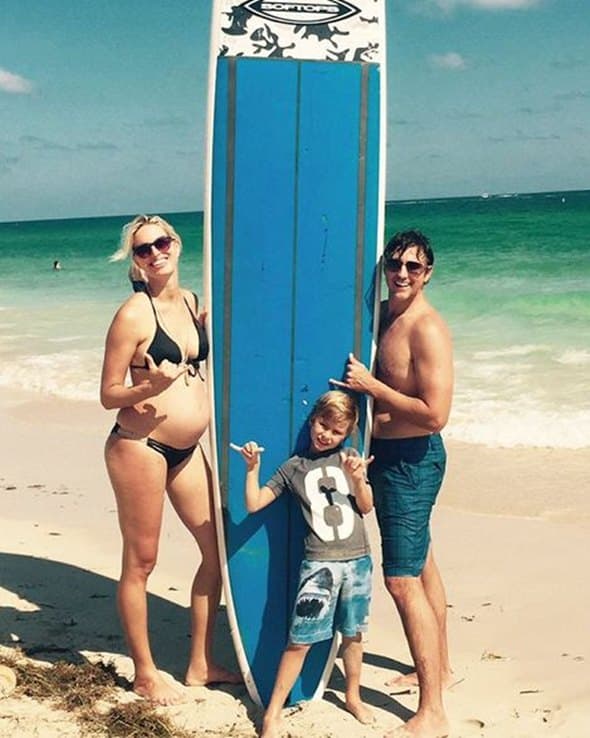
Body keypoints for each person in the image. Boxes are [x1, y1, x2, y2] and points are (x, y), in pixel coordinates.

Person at [100, 214, 240, 705]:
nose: (155, 253)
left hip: (186, 450)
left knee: (217, 550)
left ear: (177, 245)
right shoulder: (133, 315)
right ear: (136, 262)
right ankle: (144, 673)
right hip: (140, 447)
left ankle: (200, 664)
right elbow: (108, 394)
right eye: (144, 249)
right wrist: (148, 387)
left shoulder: (193, 302)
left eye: (161, 243)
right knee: (142, 561)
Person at [332, 230, 454, 738]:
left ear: (428, 274)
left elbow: (435, 414)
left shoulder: (426, 329)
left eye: (413, 266)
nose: (401, 273)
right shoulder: (382, 315)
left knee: (401, 579)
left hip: (413, 462)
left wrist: (373, 387)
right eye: (394, 264)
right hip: (385, 456)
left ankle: (432, 713)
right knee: (421, 563)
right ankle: (441, 670)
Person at [236, 391, 375, 738]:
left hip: (358, 561)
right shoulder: (293, 468)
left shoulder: (349, 458)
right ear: (313, 419)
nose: (326, 435)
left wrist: (358, 479)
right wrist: (252, 469)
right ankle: (272, 714)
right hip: (319, 567)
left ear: (347, 434)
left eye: (336, 431)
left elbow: (366, 506)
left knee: (353, 634)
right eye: (323, 425)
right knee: (299, 641)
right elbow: (254, 504)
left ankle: (353, 696)